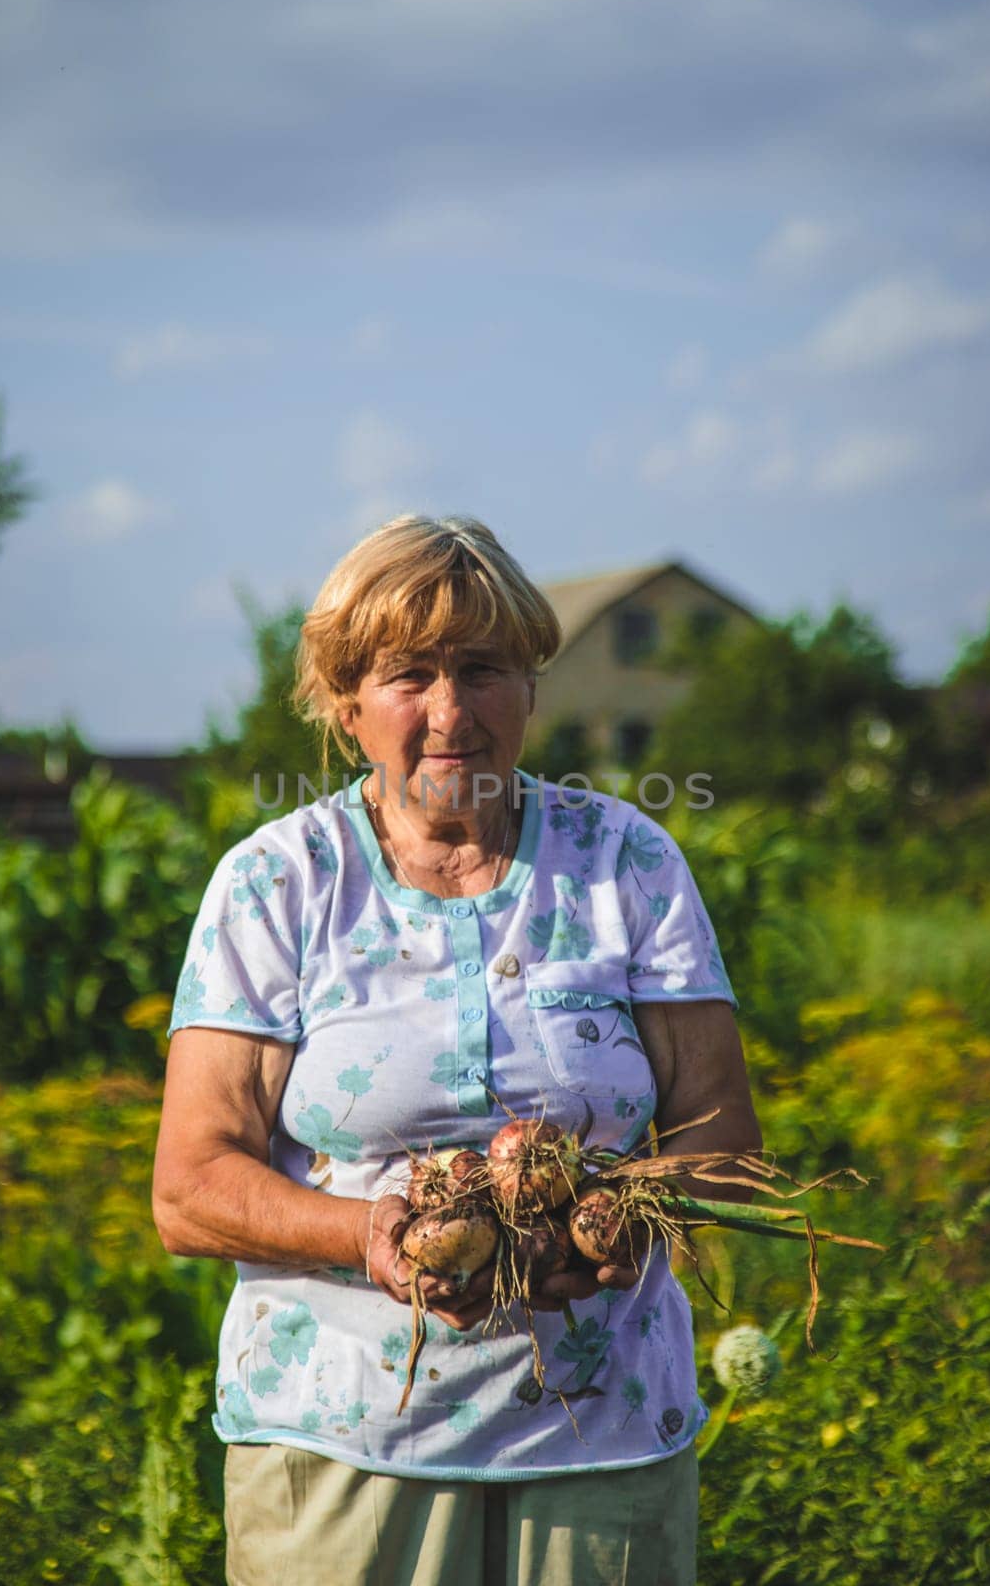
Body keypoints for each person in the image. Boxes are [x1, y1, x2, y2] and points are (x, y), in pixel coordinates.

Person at [153, 514, 761, 1586]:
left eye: (482, 670)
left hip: (600, 1436)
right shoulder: (279, 881)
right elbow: (191, 1187)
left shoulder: (626, 862)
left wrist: (621, 1213)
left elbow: (721, 1135)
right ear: (345, 705)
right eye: (407, 675)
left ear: (530, 688)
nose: (450, 711)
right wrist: (369, 1234)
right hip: (343, 1444)